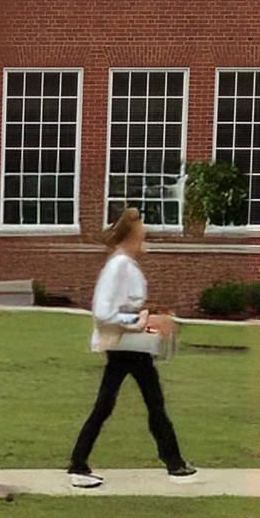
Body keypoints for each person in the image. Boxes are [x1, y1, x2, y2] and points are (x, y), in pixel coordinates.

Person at [67, 207, 195, 488]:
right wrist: (140, 321)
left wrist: (149, 319)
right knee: (139, 403)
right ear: (130, 238)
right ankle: (172, 462)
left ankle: (173, 461)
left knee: (131, 403)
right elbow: (103, 312)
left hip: (131, 345)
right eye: (141, 237)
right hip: (126, 345)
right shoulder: (119, 266)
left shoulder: (124, 264)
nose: (144, 242)